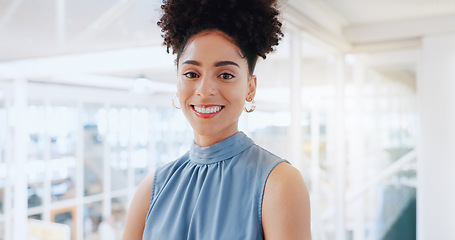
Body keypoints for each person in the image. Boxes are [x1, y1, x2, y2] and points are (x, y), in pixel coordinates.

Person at [122, 0, 311, 239]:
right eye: (192, 74)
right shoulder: (151, 188)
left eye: (225, 75)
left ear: (250, 88)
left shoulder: (278, 183)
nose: (204, 89)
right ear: (177, 81)